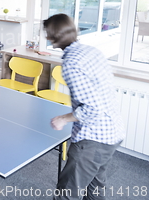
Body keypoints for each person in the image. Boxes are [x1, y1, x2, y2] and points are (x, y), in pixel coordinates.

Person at [43, 14, 125, 200]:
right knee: (95, 188)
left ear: (53, 37)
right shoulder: (90, 51)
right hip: (112, 133)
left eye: (48, 33)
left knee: (68, 192)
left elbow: (92, 109)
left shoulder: (71, 63)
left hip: (93, 140)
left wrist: (63, 118)